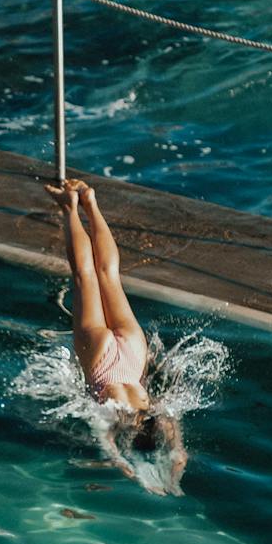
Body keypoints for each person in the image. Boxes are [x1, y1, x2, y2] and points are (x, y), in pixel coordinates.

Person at [48, 178, 187, 492]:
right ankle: (70, 206)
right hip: (102, 367)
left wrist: (179, 454)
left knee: (109, 275)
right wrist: (123, 466)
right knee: (85, 276)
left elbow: (177, 442)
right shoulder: (114, 421)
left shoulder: (156, 414)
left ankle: (91, 201)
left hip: (133, 354)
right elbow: (105, 443)